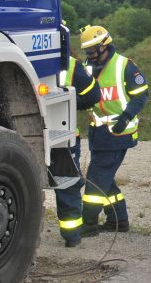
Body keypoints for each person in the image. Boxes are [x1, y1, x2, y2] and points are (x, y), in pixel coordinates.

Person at [78, 25, 149, 236]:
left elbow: (141, 94)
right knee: (105, 179)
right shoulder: (87, 67)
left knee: (95, 179)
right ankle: (118, 221)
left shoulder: (124, 65)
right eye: (87, 51)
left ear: (104, 46)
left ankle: (88, 224)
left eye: (92, 50)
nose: (89, 55)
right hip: (97, 132)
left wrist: (126, 116)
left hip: (118, 132)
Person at [56, 54, 100, 247]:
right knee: (68, 183)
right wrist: (71, 102)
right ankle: (72, 236)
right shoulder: (71, 64)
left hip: (23, 134)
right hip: (63, 135)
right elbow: (93, 95)